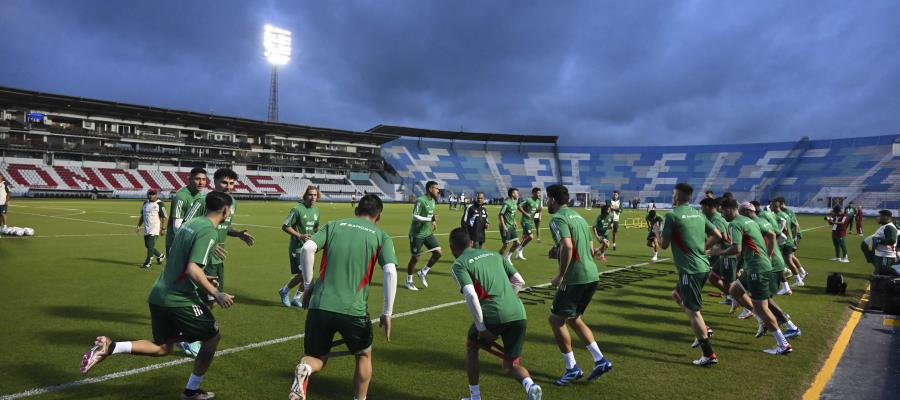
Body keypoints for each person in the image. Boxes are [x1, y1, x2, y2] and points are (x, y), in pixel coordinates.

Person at [80, 192, 236, 400]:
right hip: (178, 298)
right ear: (225, 211)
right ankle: (191, 391)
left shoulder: (192, 224)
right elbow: (191, 268)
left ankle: (111, 346)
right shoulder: (209, 231)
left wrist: (205, 277)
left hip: (159, 294)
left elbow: (179, 263)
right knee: (212, 337)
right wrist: (216, 293)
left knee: (163, 348)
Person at [288, 194, 398, 400]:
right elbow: (390, 272)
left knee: (316, 358)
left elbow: (308, 247)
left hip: (320, 304)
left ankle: (305, 369)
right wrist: (387, 312)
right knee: (364, 354)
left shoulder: (333, 225)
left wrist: (309, 285)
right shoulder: (381, 236)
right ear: (379, 215)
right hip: (353, 309)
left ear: (357, 210)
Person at [448, 228, 542, 400]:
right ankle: (530, 385)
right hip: (519, 313)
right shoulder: (495, 255)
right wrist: (509, 300)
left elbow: (470, 295)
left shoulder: (459, 264)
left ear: (451, 247)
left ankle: (475, 397)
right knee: (510, 365)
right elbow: (519, 281)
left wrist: (481, 327)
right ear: (471, 242)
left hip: (494, 314)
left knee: (471, 344)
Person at [179, 168, 255, 357]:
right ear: (214, 182)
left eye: (231, 183)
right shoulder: (203, 201)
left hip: (217, 258)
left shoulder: (232, 202)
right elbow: (187, 228)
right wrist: (209, 246)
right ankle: (190, 338)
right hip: (202, 257)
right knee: (203, 298)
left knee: (211, 300)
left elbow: (223, 225)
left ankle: (186, 332)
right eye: (224, 182)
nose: (228, 187)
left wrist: (237, 234)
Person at [545, 184, 613, 385]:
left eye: (548, 199)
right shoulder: (580, 218)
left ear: (554, 200)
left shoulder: (557, 219)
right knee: (574, 318)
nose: (546, 202)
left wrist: (560, 275)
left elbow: (568, 246)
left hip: (575, 278)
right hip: (592, 275)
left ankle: (571, 368)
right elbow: (588, 251)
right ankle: (600, 359)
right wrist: (556, 251)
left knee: (556, 319)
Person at [710, 200, 794, 355]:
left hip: (757, 269)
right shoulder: (751, 221)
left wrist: (718, 253)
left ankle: (783, 344)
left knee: (762, 307)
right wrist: (765, 256)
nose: (722, 214)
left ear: (729, 210)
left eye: (723, 211)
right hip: (754, 267)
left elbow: (736, 248)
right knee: (734, 290)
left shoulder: (735, 224)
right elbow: (771, 234)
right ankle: (761, 319)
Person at [659, 183, 722, 366]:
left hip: (690, 270)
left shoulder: (671, 215)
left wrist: (656, 232)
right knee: (677, 295)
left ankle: (708, 354)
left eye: (672, 194)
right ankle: (705, 329)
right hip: (702, 266)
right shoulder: (698, 214)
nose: (672, 197)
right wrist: (703, 248)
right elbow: (717, 234)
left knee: (693, 311)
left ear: (676, 197)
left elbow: (663, 245)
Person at [279, 186, 321, 307]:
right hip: (297, 248)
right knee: (303, 274)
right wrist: (300, 235)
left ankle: (296, 298)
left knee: (309, 275)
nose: (313, 197)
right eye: (310, 195)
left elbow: (316, 227)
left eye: (315, 195)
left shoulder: (317, 210)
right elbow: (285, 226)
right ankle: (284, 290)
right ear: (305, 196)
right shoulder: (297, 209)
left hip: (310, 248)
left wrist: (322, 234)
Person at [407, 181, 442, 291]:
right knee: (415, 258)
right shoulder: (420, 200)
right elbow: (414, 216)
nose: (438, 190)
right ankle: (409, 281)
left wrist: (433, 222)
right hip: (417, 234)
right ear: (430, 189)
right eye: (436, 188)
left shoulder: (433, 201)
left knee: (438, 253)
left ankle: (423, 272)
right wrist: (430, 219)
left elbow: (430, 214)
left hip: (427, 233)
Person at [166, 167, 208, 252]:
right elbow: (176, 227)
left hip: (192, 241)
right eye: (197, 179)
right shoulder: (181, 197)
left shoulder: (201, 196)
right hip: (177, 244)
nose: (201, 182)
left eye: (204, 179)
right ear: (190, 179)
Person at [700, 198, 733, 304]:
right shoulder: (714, 217)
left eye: (702, 207)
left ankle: (741, 300)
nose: (701, 209)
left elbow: (722, 236)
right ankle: (731, 297)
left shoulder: (716, 219)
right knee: (717, 277)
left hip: (727, 252)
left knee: (720, 277)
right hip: (725, 251)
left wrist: (710, 247)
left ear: (708, 207)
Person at [136, 189, 168, 269]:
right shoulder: (145, 203)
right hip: (147, 228)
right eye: (149, 194)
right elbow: (142, 216)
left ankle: (148, 262)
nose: (151, 196)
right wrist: (139, 225)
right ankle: (160, 256)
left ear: (156, 195)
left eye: (153, 194)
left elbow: (164, 217)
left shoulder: (160, 204)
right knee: (147, 245)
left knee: (150, 245)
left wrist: (163, 228)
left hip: (155, 228)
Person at [867, 210, 898, 275]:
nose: (877, 218)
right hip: (881, 255)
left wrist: (878, 240)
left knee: (883, 277)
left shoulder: (889, 227)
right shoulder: (884, 226)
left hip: (886, 257)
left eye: (879, 216)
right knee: (878, 276)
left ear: (886, 217)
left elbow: (892, 240)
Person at [516, 188, 541, 260]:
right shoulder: (528, 200)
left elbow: (537, 210)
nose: (539, 194)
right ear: (533, 193)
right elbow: (519, 206)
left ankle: (519, 254)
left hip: (531, 222)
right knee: (530, 237)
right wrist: (525, 213)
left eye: (540, 193)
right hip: (525, 221)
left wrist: (537, 217)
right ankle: (519, 248)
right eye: (538, 193)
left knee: (524, 237)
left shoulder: (538, 201)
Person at [499, 188, 521, 264]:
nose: (518, 195)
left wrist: (514, 222)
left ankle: (508, 257)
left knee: (517, 243)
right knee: (505, 245)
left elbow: (512, 214)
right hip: (506, 227)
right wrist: (503, 225)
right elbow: (501, 215)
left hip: (511, 226)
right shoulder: (506, 203)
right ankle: (498, 258)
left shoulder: (515, 203)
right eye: (516, 193)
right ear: (512, 194)